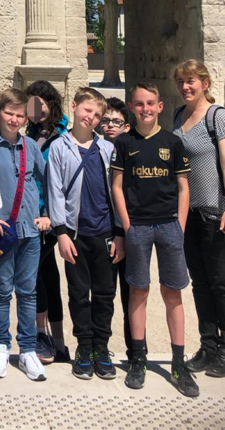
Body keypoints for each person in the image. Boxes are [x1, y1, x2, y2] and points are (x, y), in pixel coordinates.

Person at [110, 83, 198, 397]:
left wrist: (181, 226)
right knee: (139, 290)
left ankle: (178, 361)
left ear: (160, 106)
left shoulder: (173, 142)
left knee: (173, 292)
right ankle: (138, 358)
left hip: (169, 225)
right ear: (131, 108)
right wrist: (128, 224)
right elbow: (117, 186)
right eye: (139, 104)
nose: (145, 109)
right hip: (139, 227)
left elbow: (183, 187)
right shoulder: (123, 142)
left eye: (151, 103)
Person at [46, 87, 124, 381]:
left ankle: (101, 348)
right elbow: (54, 191)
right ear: (75, 107)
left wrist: (119, 234)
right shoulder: (58, 147)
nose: (90, 117)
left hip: (105, 231)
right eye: (87, 110)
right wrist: (61, 232)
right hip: (76, 234)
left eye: (97, 115)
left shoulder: (107, 149)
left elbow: (116, 193)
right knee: (79, 295)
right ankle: (84, 346)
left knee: (105, 294)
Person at [172, 59, 225, 378]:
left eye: (191, 81)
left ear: (205, 83)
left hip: (217, 212)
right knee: (200, 282)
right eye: (181, 82)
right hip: (189, 215)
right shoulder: (178, 115)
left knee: (221, 282)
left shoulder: (219, 117)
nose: (186, 87)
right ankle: (208, 346)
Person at [0, 88, 48, 382]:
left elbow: (46, 180)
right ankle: (2, 345)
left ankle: (28, 348)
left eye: (20, 115)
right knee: (3, 290)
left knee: (28, 291)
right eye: (9, 113)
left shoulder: (30, 146)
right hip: (1, 229)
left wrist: (48, 214)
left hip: (30, 229)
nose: (14, 119)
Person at [25, 80, 71, 365]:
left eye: (38, 103)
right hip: (34, 212)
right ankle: (58, 340)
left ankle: (43, 334)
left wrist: (52, 215)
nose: (33, 109)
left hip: (52, 215)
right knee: (49, 275)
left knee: (37, 274)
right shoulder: (32, 131)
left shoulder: (63, 134)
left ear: (50, 103)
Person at [98, 96, 136, 365]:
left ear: (126, 126)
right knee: (104, 292)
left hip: (131, 231)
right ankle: (101, 348)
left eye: (116, 122)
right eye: (105, 120)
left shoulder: (133, 151)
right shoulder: (94, 148)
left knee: (132, 292)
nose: (110, 125)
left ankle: (135, 350)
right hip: (104, 230)